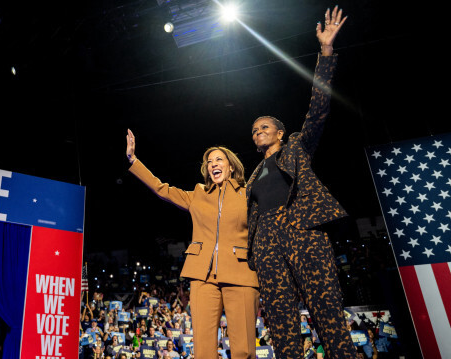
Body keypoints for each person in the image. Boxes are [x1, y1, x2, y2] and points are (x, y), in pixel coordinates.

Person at [245, 6, 356, 359]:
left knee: (327, 311)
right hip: (266, 242)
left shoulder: (297, 147)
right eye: (253, 130)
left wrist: (325, 53)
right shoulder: (252, 176)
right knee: (279, 319)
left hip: (303, 230)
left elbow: (319, 108)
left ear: (279, 132)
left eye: (264, 127)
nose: (257, 132)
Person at [126, 129, 260, 358]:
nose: (213, 164)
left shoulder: (249, 194)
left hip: (241, 272)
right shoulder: (198, 193)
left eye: (219, 159)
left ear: (231, 167)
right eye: (209, 162)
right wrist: (133, 160)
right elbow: (162, 189)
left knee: (244, 349)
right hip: (202, 276)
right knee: (204, 349)